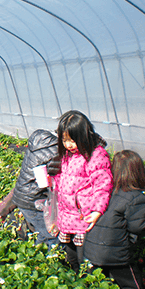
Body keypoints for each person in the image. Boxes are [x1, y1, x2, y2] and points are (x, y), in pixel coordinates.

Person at [84, 150, 145, 289]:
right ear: (139, 172)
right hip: (116, 254)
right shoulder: (136, 198)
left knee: (95, 285)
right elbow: (138, 227)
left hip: (91, 249)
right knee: (132, 286)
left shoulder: (104, 191)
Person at [52, 110, 113, 273]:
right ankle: (74, 277)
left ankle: (86, 282)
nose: (68, 145)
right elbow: (63, 181)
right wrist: (52, 175)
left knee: (83, 256)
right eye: (64, 140)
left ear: (83, 136)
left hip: (82, 216)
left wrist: (97, 211)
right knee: (68, 251)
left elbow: (102, 185)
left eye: (72, 140)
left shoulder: (95, 155)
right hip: (66, 214)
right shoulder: (67, 155)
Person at [0, 129, 60, 247]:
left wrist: (1, 211)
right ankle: (50, 261)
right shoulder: (57, 153)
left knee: (42, 233)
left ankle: (37, 254)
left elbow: (21, 186)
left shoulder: (38, 145)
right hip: (35, 203)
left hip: (23, 201)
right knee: (53, 236)